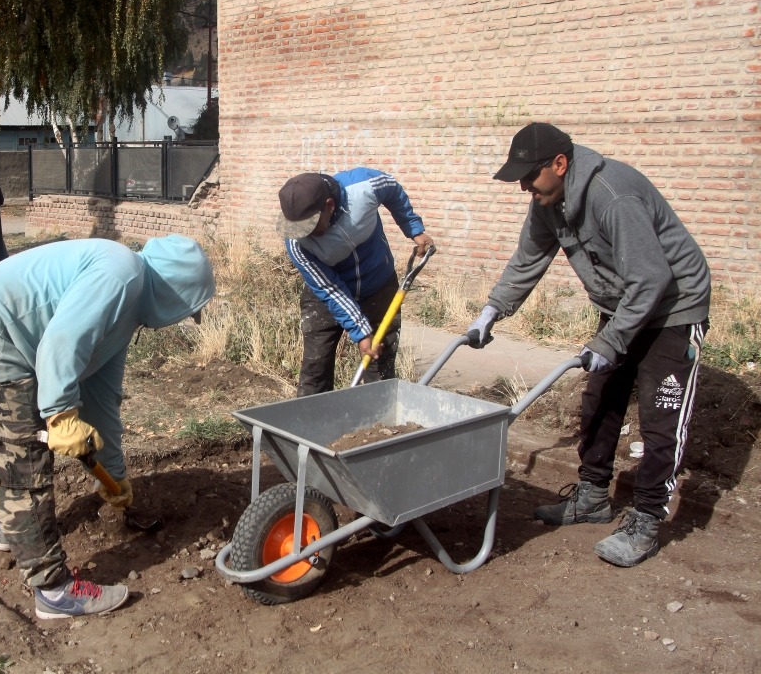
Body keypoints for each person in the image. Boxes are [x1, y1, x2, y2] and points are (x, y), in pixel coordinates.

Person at [0, 235, 215, 618]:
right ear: (174, 293)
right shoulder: (121, 273)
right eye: (184, 308)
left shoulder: (123, 301)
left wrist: (114, 476)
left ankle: (14, 532)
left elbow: (101, 399)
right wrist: (58, 414)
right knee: (23, 463)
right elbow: (61, 342)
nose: (177, 320)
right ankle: (54, 592)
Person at [466, 122, 710, 567]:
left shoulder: (613, 196)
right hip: (625, 304)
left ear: (559, 164)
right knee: (600, 398)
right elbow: (529, 256)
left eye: (528, 175)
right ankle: (594, 497)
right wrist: (492, 311)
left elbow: (653, 278)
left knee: (660, 418)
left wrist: (612, 339)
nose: (523, 186)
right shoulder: (549, 199)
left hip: (674, 308)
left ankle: (647, 519)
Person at [276, 168, 434, 395]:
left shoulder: (363, 186)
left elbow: (392, 190)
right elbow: (329, 289)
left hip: (378, 283)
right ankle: (312, 422)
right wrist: (361, 332)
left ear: (329, 206)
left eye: (308, 226)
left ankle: (378, 424)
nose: (303, 234)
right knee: (315, 368)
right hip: (326, 295)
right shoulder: (296, 244)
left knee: (379, 363)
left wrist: (412, 228)